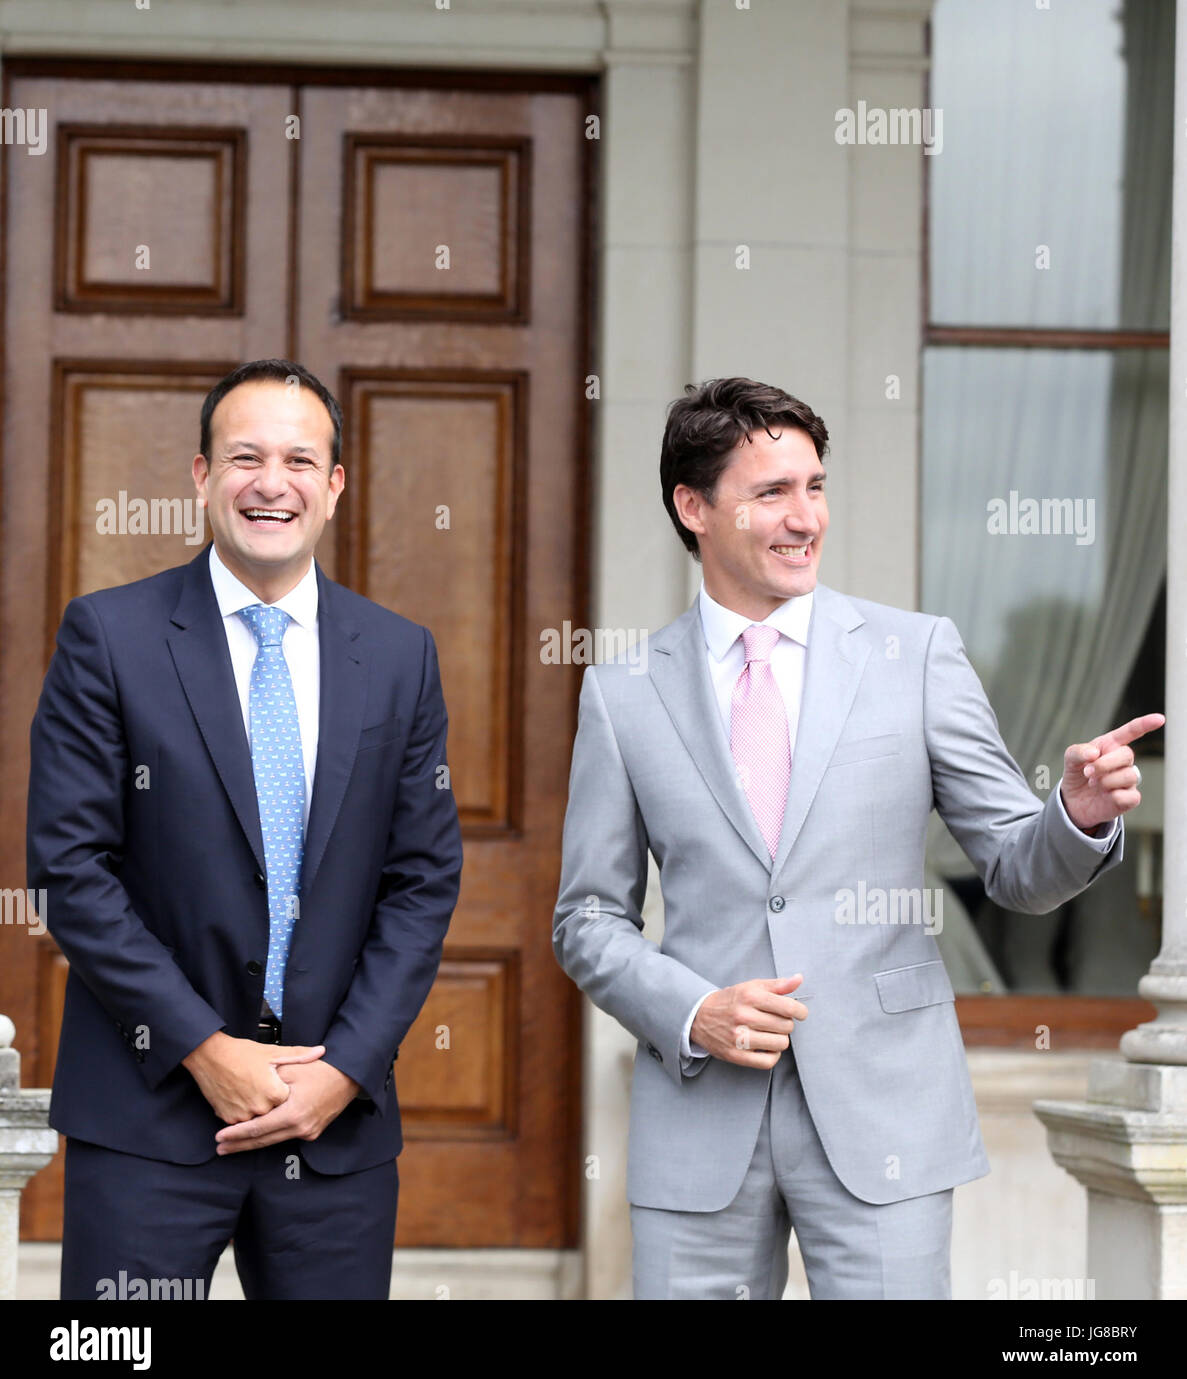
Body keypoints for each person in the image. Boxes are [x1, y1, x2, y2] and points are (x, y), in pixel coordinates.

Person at [552, 376, 1161, 1300]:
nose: (805, 518)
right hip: (698, 1113)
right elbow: (587, 918)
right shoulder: (622, 691)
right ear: (693, 507)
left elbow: (1013, 866)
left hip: (886, 1106)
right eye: (770, 493)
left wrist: (1074, 814)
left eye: (815, 486)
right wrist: (690, 1010)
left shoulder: (916, 655)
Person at [28, 359, 462, 1300]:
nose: (273, 483)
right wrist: (204, 1050)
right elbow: (70, 867)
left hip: (332, 1128)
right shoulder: (109, 637)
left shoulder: (398, 655)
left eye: (301, 460)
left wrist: (344, 1068)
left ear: (336, 485)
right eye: (245, 457)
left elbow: (422, 880)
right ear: (200, 476)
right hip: (148, 1117)